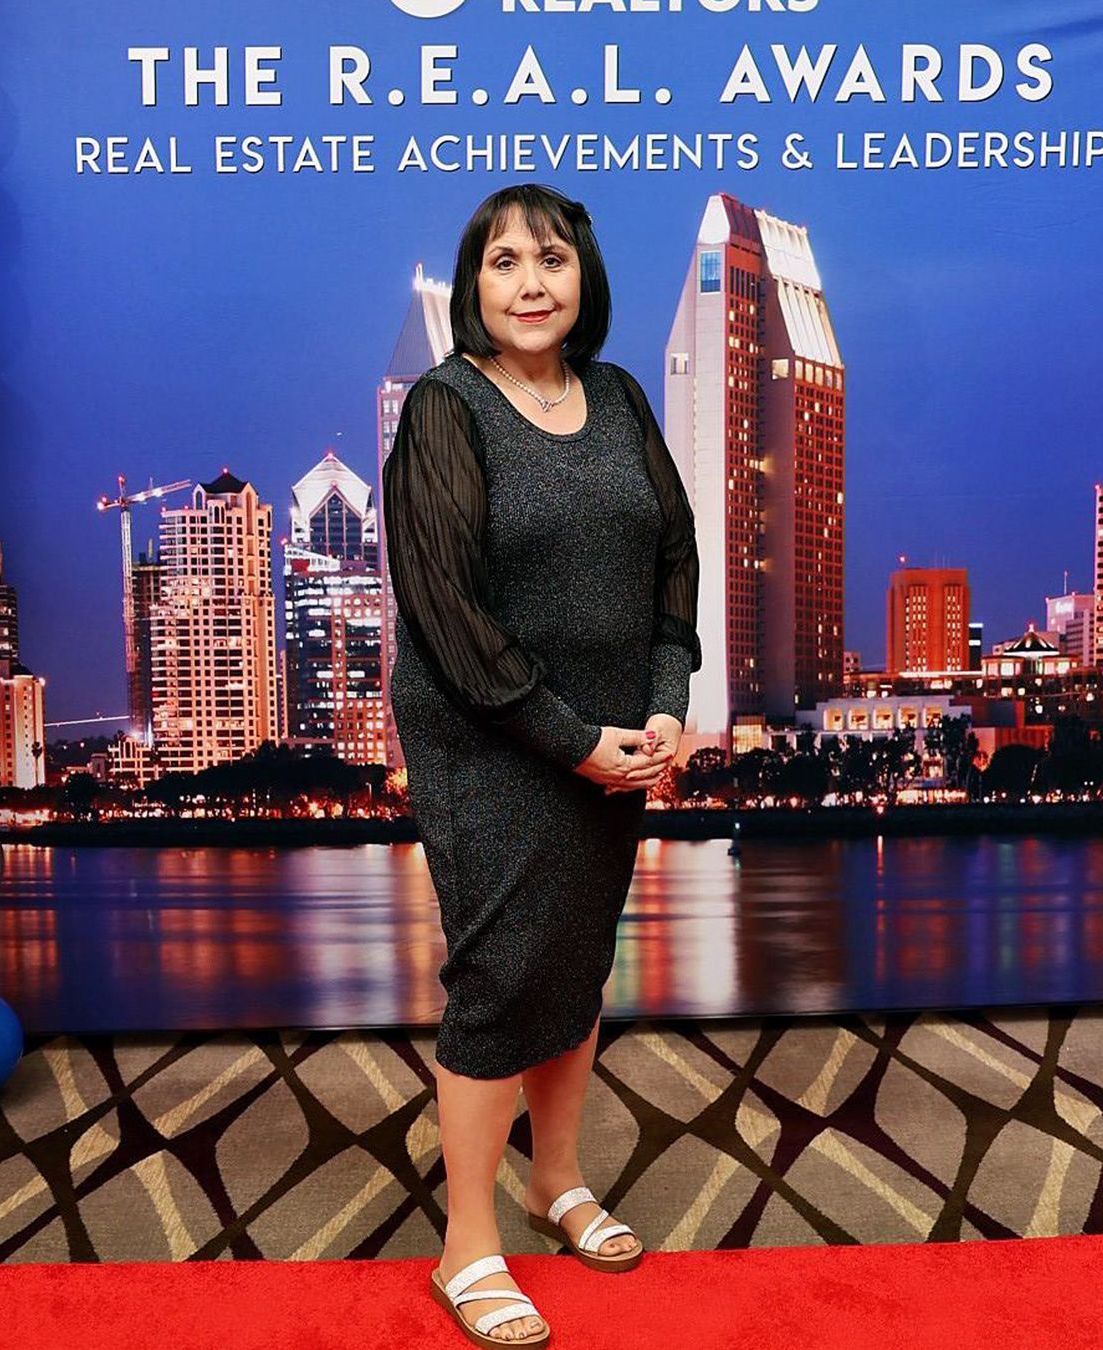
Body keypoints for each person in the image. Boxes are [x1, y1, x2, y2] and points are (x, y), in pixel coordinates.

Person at [380, 182, 701, 1348]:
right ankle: (468, 1244)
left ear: (583, 278)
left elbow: (675, 556)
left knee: (575, 963)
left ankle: (554, 1180)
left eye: (552, 259)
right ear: (476, 283)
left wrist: (663, 705)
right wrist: (573, 742)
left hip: (614, 739)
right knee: (503, 975)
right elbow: (445, 611)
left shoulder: (617, 398)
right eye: (505, 261)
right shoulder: (445, 407)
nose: (530, 282)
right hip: (491, 741)